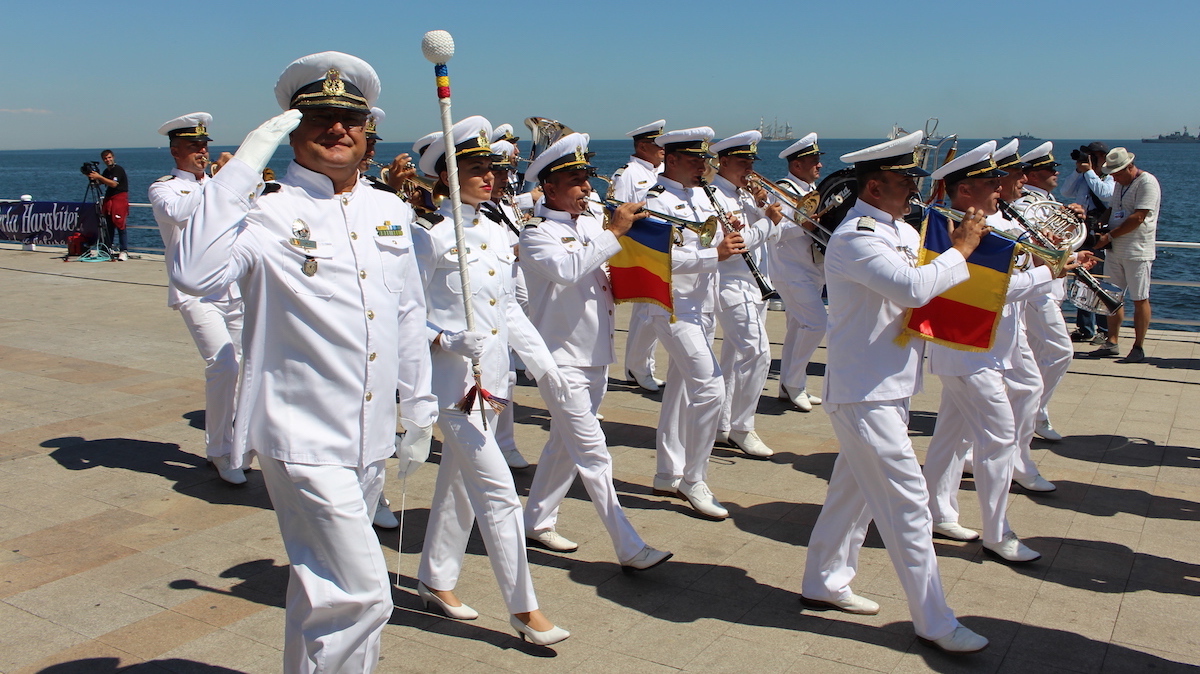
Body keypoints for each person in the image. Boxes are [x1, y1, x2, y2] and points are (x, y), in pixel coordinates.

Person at [171, 52, 439, 672]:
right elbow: (193, 272)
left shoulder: (390, 212)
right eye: (318, 116)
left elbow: (404, 312)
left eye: (352, 119)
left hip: (370, 435)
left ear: (369, 133)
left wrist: (419, 402)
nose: (337, 129)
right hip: (301, 435)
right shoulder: (263, 212)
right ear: (291, 127)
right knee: (362, 594)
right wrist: (241, 166)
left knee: (320, 590)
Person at [798, 131, 991, 654]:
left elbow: (926, 285)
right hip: (864, 391)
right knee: (909, 505)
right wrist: (965, 248)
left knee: (852, 493)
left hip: (889, 384)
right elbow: (911, 288)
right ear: (876, 185)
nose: (914, 190)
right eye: (906, 181)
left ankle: (825, 579)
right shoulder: (857, 236)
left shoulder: (900, 229)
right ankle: (936, 620)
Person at [411, 116, 569, 646]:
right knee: (499, 493)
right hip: (452, 387)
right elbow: (400, 314)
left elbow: (512, 311)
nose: (489, 177)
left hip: (493, 383)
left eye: (490, 168)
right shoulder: (430, 238)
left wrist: (544, 366)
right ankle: (525, 609)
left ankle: (435, 578)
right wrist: (444, 338)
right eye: (475, 169)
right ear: (447, 179)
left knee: (457, 485)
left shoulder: (499, 233)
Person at [517, 132, 672, 570]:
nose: (588, 188)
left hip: (595, 354)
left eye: (587, 179)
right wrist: (615, 233)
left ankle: (537, 520)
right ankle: (629, 546)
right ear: (549, 187)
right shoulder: (537, 234)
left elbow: (606, 268)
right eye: (576, 181)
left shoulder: (589, 223)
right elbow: (567, 271)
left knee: (563, 447)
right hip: (560, 358)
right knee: (593, 452)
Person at [921, 140, 1059, 563]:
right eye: (991, 181)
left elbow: (1009, 281)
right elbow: (983, 291)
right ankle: (998, 534)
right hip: (967, 350)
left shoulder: (986, 222)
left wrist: (1050, 257)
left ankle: (937, 511)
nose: (1002, 187)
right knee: (998, 439)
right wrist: (1047, 272)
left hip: (985, 348)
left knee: (949, 436)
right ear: (965, 191)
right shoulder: (952, 228)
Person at [644, 127, 745, 520]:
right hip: (673, 306)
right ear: (671, 160)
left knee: (681, 391)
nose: (703, 166)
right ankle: (694, 478)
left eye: (704, 159)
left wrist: (747, 229)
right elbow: (659, 260)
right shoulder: (655, 200)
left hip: (700, 304)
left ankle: (667, 472)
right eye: (694, 159)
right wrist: (713, 255)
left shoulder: (702, 194)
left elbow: (724, 245)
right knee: (710, 389)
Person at [148, 113, 246, 485]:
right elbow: (179, 212)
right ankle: (219, 451)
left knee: (243, 367)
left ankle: (236, 442)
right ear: (176, 151)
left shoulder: (216, 184)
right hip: (194, 293)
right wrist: (224, 185)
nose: (202, 152)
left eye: (204, 145)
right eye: (194, 146)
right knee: (224, 366)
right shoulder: (165, 188)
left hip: (232, 287)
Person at [708, 130, 782, 458]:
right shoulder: (714, 195)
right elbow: (735, 244)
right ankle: (743, 426)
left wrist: (765, 209)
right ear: (723, 162)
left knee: (736, 357)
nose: (749, 168)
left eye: (751, 160)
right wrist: (766, 223)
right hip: (729, 284)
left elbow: (773, 239)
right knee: (759, 353)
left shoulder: (747, 196)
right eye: (742, 161)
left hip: (755, 284)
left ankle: (722, 426)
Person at [1014, 142, 1079, 443]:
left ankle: (1034, 413)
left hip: (1050, 286)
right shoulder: (1024, 205)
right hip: (1037, 290)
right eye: (1049, 169)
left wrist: (1075, 221)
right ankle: (1034, 414)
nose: (1055, 173)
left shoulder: (1049, 202)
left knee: (1040, 353)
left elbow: (1063, 243)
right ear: (1032, 174)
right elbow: (1035, 247)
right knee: (1060, 351)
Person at [1090, 148, 1160, 364]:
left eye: (1118, 173)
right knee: (1111, 297)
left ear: (1130, 167)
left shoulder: (1147, 183)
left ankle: (1138, 346)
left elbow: (1139, 217)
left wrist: (1109, 236)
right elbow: (1112, 208)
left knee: (1140, 298)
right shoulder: (1120, 182)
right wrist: (1098, 225)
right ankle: (1112, 341)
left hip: (1137, 251)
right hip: (1115, 250)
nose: (1114, 178)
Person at [773, 132, 827, 411]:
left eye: (818, 160)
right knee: (817, 323)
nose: (819, 165)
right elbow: (775, 231)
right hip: (790, 269)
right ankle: (794, 384)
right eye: (813, 161)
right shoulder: (782, 190)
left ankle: (791, 384)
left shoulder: (813, 188)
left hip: (812, 268)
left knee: (798, 328)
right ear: (796, 165)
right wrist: (802, 225)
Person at [615, 119, 668, 393]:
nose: (663, 149)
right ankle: (638, 368)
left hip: (659, 247)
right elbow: (618, 212)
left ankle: (640, 367)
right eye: (658, 144)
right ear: (643, 146)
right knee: (648, 313)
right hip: (640, 248)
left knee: (649, 311)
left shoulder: (662, 171)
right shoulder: (628, 174)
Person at [1060, 141, 1114, 343]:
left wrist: (1090, 172)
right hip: (1081, 230)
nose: (1091, 160)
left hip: (1099, 233)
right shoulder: (1084, 177)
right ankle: (1085, 328)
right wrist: (1078, 171)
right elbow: (1066, 191)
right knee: (1082, 278)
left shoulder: (1110, 178)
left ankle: (1104, 329)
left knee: (1099, 279)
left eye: (1094, 156)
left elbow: (1105, 194)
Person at [86, 149, 130, 260]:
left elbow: (114, 184)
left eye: (109, 157)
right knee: (108, 226)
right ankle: (107, 248)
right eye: (105, 158)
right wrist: (92, 177)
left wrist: (99, 177)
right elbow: (100, 183)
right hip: (109, 200)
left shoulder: (118, 170)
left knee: (120, 225)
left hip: (119, 199)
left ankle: (123, 250)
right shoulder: (107, 171)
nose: (108, 160)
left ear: (113, 157)